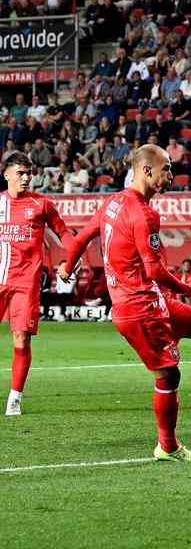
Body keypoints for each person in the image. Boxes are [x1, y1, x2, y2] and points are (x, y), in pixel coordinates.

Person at [59, 145, 191, 461]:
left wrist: (66, 266)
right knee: (169, 376)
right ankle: (168, 446)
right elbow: (155, 270)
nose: (171, 175)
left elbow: (81, 238)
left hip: (145, 301)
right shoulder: (144, 214)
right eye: (167, 169)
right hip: (139, 308)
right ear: (147, 171)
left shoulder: (112, 202)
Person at [0, 152, 74, 416]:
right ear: (6, 174)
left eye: (29, 172)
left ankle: (15, 398)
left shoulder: (42, 204)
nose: (27, 177)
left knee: (21, 338)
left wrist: (70, 260)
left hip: (25, 283)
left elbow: (64, 233)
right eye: (20, 172)